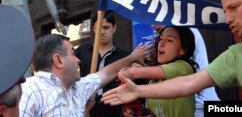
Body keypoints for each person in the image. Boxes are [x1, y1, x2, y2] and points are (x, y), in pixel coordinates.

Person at [101, 0, 242, 107]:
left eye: (234, 8)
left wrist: (133, 70)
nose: (228, 19)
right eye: (225, 12)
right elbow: (188, 83)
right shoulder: (235, 55)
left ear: (183, 48)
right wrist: (138, 91)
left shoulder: (183, 61)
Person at [19, 34, 150, 117]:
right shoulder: (29, 91)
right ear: (58, 60)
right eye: (72, 53)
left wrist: (132, 58)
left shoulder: (79, 88)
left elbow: (106, 72)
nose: (78, 60)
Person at [118, 26, 197, 117]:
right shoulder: (153, 81)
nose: (161, 44)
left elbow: (132, 73)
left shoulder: (184, 67)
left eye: (169, 40)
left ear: (182, 50)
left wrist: (130, 69)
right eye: (160, 38)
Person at [75, 11, 130, 117]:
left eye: (106, 27)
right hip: (86, 109)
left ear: (114, 28)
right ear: (93, 30)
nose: (101, 31)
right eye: (98, 28)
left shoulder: (124, 57)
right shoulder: (82, 51)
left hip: (115, 110)